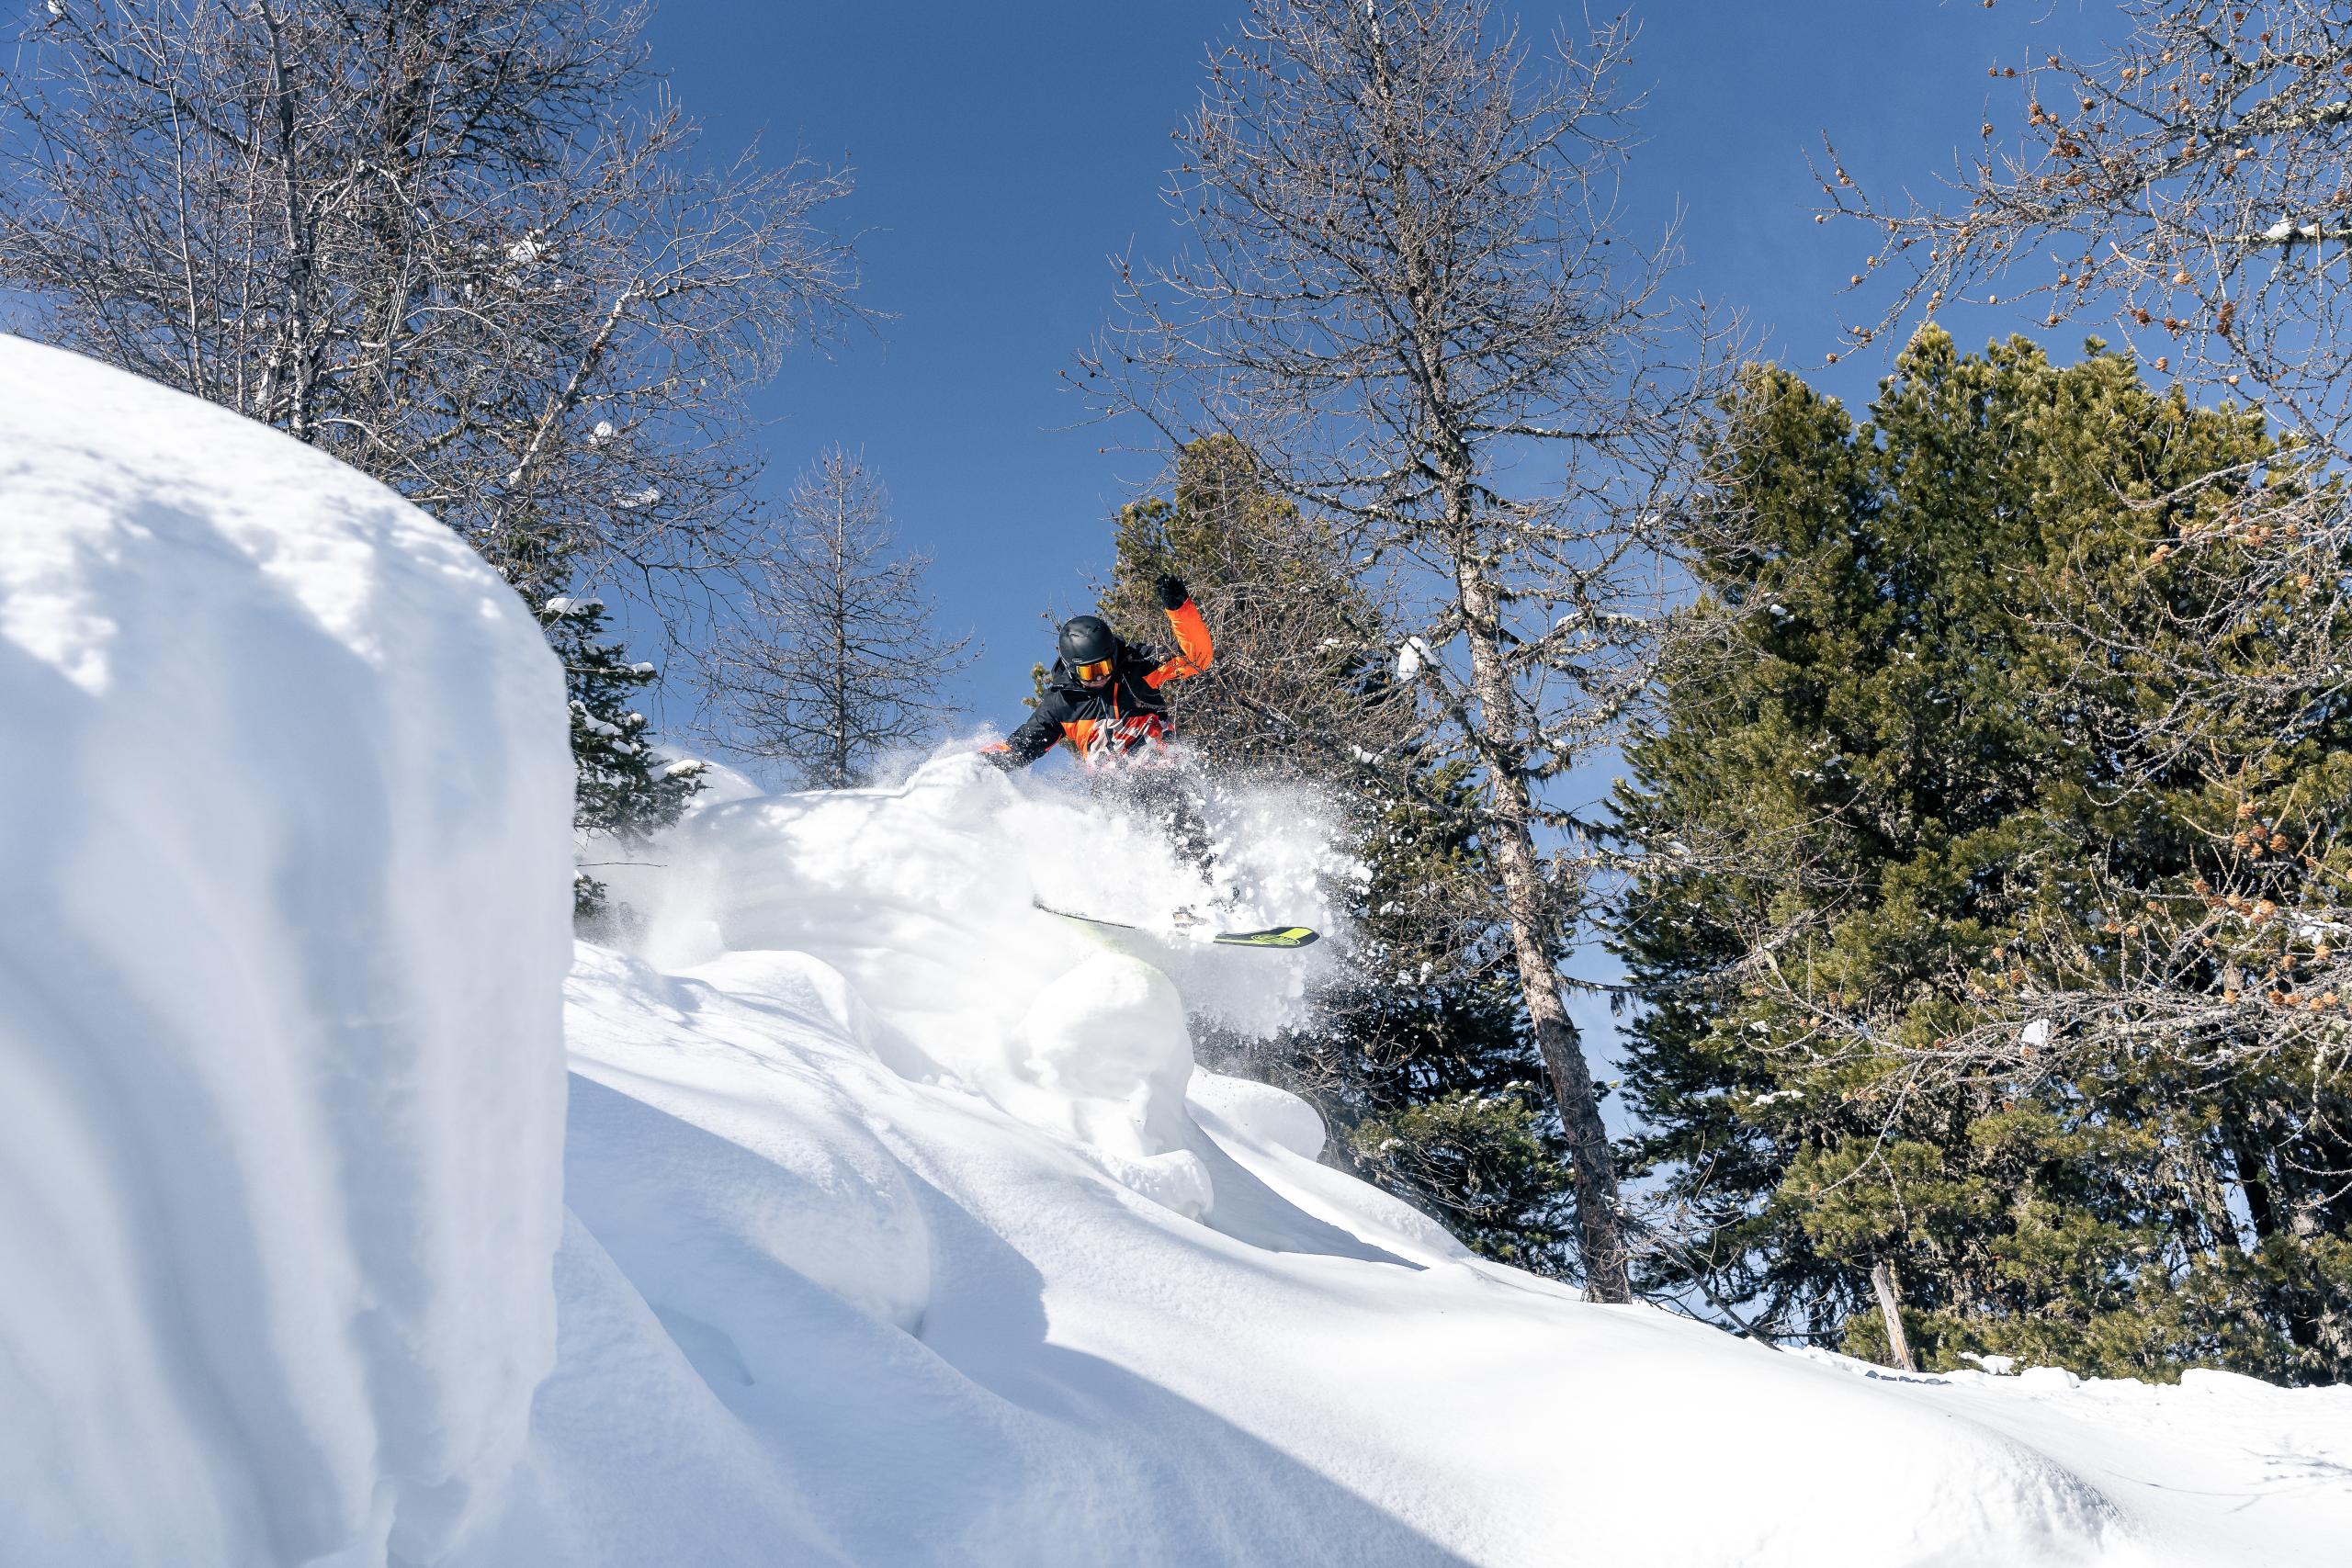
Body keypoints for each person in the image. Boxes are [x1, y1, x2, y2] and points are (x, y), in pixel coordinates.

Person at [986, 573, 1216, 862]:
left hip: (1163, 772)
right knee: (1104, 825)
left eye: (1105, 666)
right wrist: (977, 765)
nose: (1100, 677)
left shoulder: (1139, 667)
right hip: (1113, 790)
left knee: (1168, 805)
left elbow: (1198, 657)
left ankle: (1207, 888)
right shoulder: (1061, 704)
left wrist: (1180, 608)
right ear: (1072, 669)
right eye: (1089, 672)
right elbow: (1019, 747)